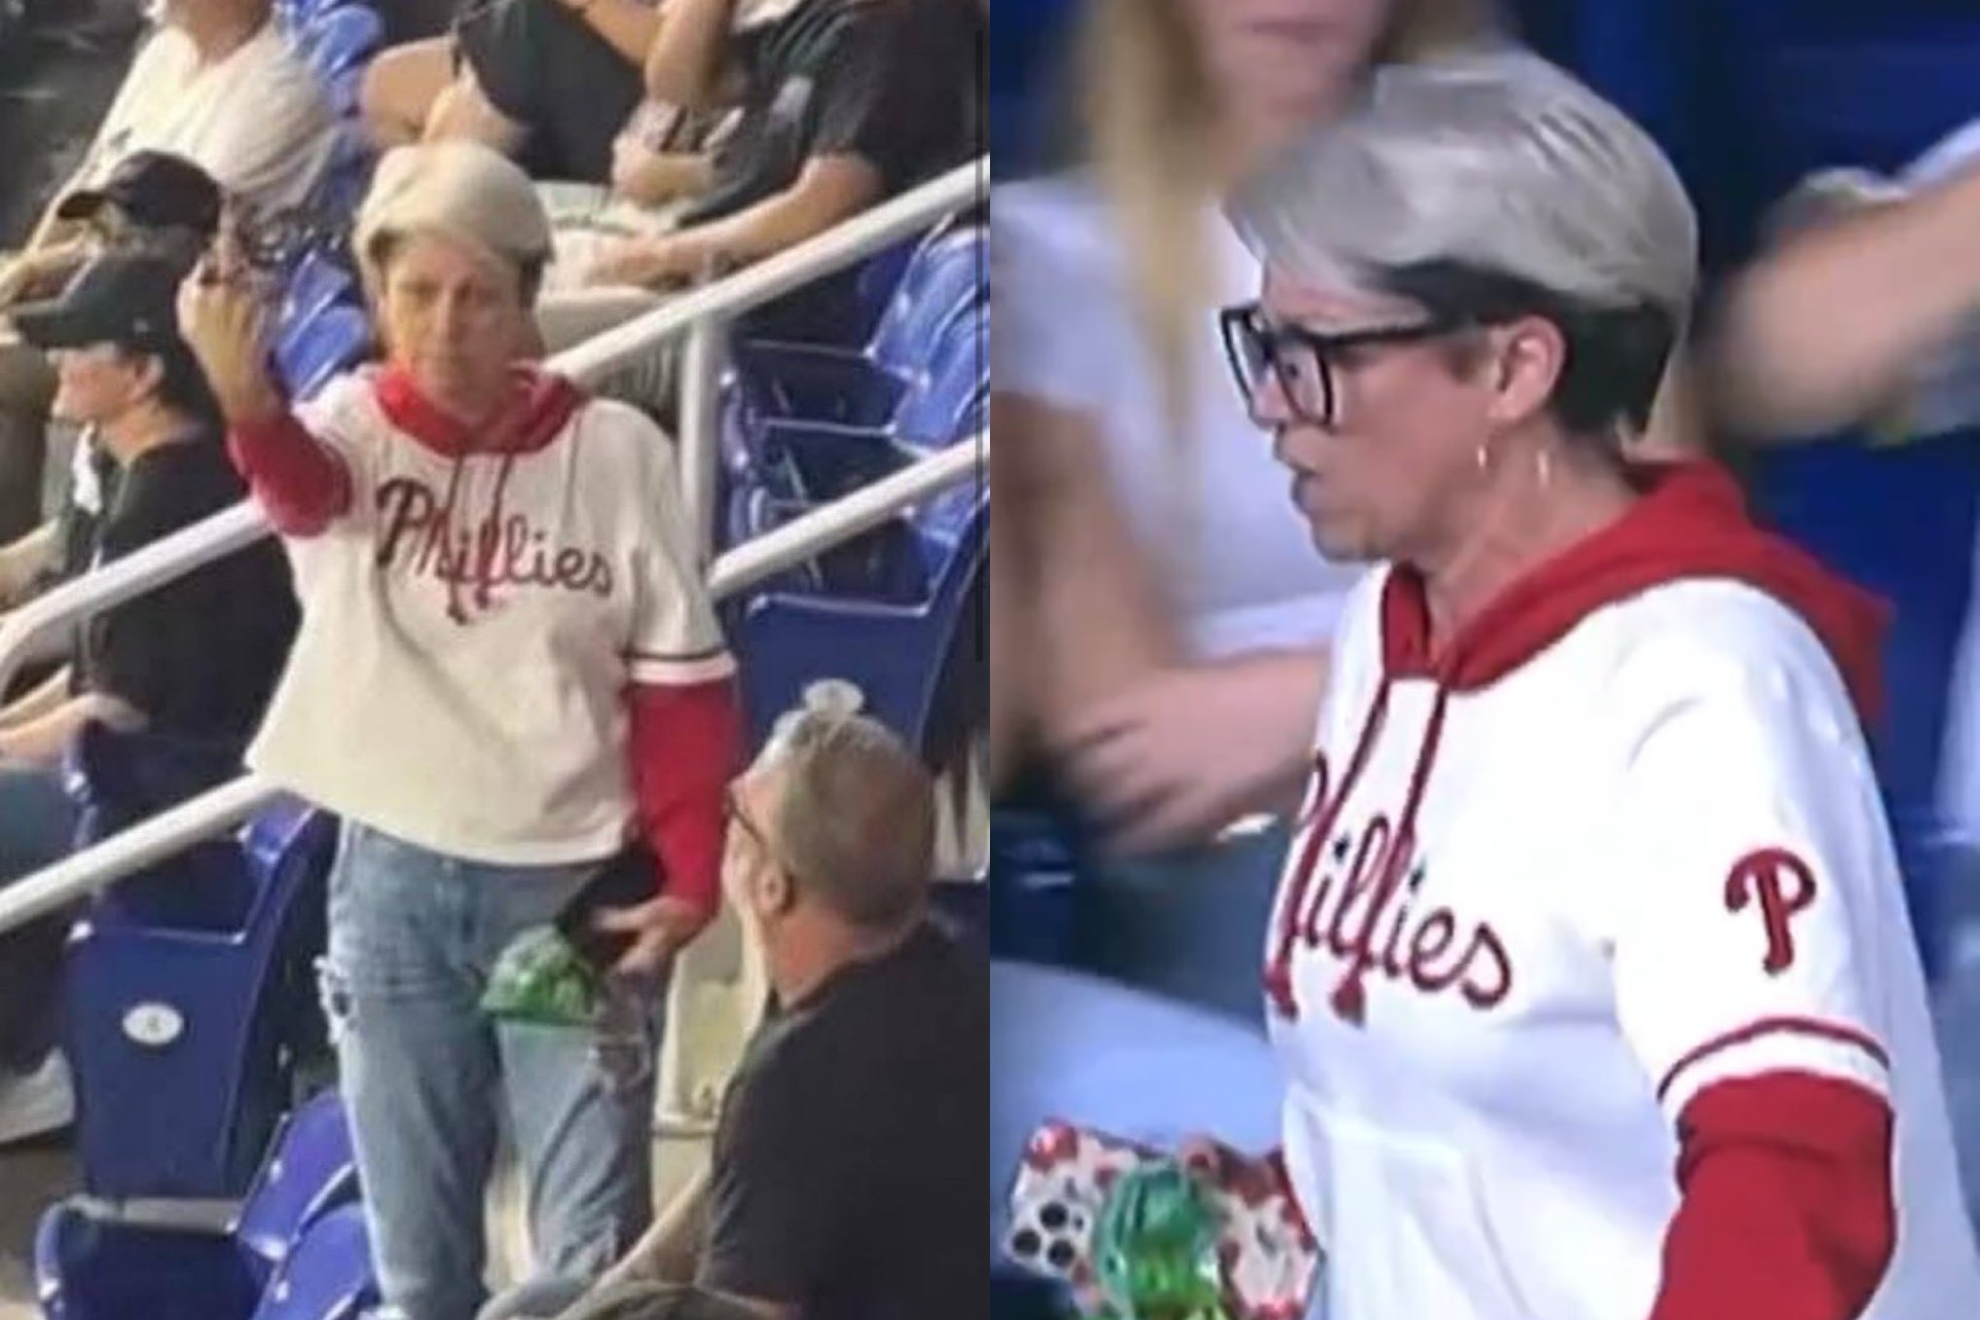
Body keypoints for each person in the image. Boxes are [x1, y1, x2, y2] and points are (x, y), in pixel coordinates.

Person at [1206, 52, 1980, 1318]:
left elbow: (1796, 1181)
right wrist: (1270, 1217)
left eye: (1319, 353)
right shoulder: (1384, 637)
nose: (1272, 406)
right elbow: (1464, 1122)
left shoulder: (1705, 689)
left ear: (1516, 371)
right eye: (1264, 345)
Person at [179, 140, 745, 1320]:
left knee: (596, 1263)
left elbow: (680, 686)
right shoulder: (350, 424)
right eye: (417, 294)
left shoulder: (619, 451)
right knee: (421, 1268)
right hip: (392, 884)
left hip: (573, 896)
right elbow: (302, 490)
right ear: (380, 303)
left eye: (477, 295)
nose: (444, 326)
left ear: (528, 302)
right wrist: (244, 401)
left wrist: (693, 872)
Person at [990, 0, 1494, 1019]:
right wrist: (1468, 666)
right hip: (1261, 874)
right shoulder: (1052, 259)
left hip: (1528, 801)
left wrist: (1316, 697)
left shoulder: (1537, 201)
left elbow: (1649, 592)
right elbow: (1141, 748)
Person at [495, 709, 987, 1320]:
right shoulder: (941, 963)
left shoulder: (798, 1079)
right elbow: (739, 1183)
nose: (721, 816)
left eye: (736, 813)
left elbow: (742, 1305)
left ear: (772, 886)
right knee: (542, 1305)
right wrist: (609, 1296)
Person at [0, 252, 299, 1144]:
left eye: (79, 346)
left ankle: (25, 1064)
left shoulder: (172, 501)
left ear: (142, 374)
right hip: (137, 767)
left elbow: (118, 710)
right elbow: (95, 676)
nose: (58, 362)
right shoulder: (151, 476)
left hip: (171, 791)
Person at [0, 0, 337, 543]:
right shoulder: (162, 52)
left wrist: (39, 275)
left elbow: (165, 241)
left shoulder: (282, 86)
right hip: (97, 285)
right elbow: (87, 183)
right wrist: (26, 267)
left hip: (175, 332)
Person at [550, 0, 983, 375]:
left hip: (743, 321)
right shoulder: (821, 16)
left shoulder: (903, 29)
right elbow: (680, 82)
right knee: (516, 239)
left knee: (522, 331)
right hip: (698, 272)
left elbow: (819, 209)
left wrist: (665, 254)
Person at [0, 151, 228, 617]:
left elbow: (94, 618)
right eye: (96, 237)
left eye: (117, 240)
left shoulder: (171, 438)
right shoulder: (117, 416)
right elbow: (74, 527)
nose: (94, 254)